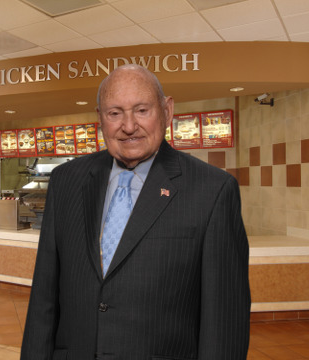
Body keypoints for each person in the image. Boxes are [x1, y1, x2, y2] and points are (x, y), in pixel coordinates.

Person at [21, 64, 251, 359]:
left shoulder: (213, 190)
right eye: (114, 113)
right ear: (100, 118)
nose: (128, 126)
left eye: (142, 110)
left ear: (167, 111)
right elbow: (44, 298)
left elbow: (224, 320)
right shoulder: (66, 181)